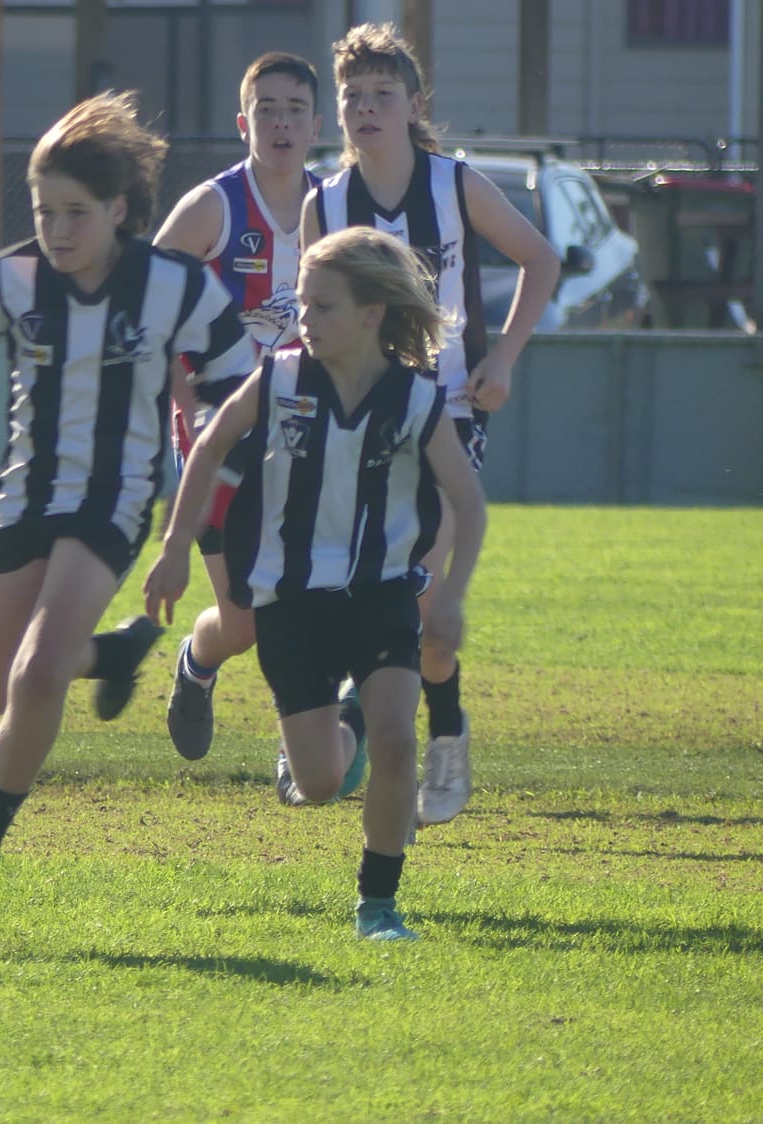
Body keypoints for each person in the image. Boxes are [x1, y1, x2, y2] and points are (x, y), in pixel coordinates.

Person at [0, 91, 256, 905]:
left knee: (36, 675)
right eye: (44, 212)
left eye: (76, 213)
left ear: (118, 210)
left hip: (114, 503)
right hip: (23, 497)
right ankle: (113, 654)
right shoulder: (10, 278)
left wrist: (198, 508)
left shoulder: (175, 285)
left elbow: (238, 392)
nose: (58, 230)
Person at [145, 226, 487, 940]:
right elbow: (208, 447)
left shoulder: (415, 399)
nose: (305, 318)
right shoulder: (280, 379)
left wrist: (451, 596)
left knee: (396, 742)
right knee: (321, 783)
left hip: (381, 595)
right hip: (291, 604)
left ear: (371, 314)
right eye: (302, 303)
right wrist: (175, 548)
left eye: (323, 306)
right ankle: (340, 715)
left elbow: (468, 500)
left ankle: (378, 908)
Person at [301, 23, 559, 823]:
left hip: (447, 410)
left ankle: (432, 735)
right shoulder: (326, 204)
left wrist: (503, 358)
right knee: (358, 584)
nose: (366, 108)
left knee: (417, 585)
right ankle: (350, 723)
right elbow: (312, 316)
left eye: (383, 94)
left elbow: (542, 259)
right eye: (353, 96)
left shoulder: (455, 185)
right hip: (360, 416)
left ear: (414, 106)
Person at [151, 51, 324, 763]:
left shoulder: (334, 208)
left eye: (294, 110)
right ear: (243, 123)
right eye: (266, 110)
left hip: (306, 430)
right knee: (244, 623)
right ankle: (197, 665)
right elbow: (146, 305)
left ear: (316, 125)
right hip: (219, 437)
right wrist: (186, 401)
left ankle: (302, 751)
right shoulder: (213, 208)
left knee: (314, 595)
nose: (281, 123)